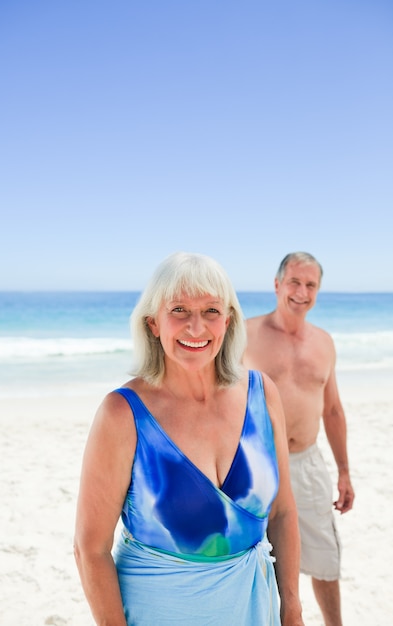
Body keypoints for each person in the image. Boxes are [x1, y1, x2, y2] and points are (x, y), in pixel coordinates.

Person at [74, 251, 304, 626]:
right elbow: (90, 549)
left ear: (228, 320)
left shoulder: (262, 394)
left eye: (211, 311)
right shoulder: (122, 414)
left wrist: (291, 610)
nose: (196, 328)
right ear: (153, 323)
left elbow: (283, 511)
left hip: (252, 610)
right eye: (179, 310)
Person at [243, 251, 355, 626]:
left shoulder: (324, 343)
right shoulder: (244, 334)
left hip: (307, 462)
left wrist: (344, 471)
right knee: (256, 556)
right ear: (277, 285)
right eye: (294, 282)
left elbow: (334, 410)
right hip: (253, 462)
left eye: (310, 285)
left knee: (324, 557)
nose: (301, 292)